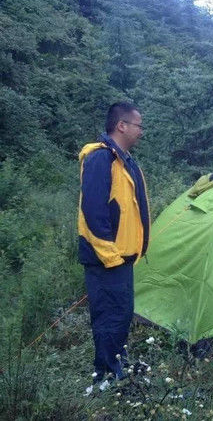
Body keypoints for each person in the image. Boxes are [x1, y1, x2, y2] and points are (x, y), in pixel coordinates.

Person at [78, 102, 150, 383]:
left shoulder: (125, 161)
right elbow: (93, 214)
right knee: (109, 318)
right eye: (138, 125)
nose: (141, 131)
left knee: (121, 316)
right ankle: (105, 377)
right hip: (107, 259)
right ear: (122, 125)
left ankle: (117, 368)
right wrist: (111, 257)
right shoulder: (100, 160)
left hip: (123, 258)